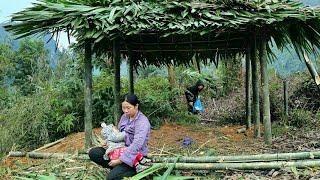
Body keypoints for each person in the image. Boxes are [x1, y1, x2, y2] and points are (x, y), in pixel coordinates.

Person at [89, 93, 151, 180]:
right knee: (94, 153)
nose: (125, 111)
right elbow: (118, 135)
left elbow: (136, 145)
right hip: (118, 150)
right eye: (123, 108)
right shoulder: (124, 117)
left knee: (111, 178)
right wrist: (108, 143)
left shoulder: (142, 122)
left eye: (128, 108)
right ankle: (118, 169)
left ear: (136, 106)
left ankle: (128, 170)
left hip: (134, 157)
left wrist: (120, 160)